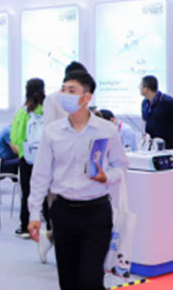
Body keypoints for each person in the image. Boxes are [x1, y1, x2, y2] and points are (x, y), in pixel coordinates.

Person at [27, 71, 129, 290]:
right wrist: (34, 213)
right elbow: (40, 175)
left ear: (87, 97)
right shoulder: (52, 132)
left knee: (90, 281)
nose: (64, 94)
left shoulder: (107, 130)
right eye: (63, 89)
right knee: (68, 280)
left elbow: (121, 166)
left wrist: (107, 177)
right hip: (63, 212)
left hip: (96, 212)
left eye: (71, 90)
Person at [10, 78, 47, 239]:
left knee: (27, 192)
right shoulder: (48, 110)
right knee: (46, 192)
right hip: (45, 157)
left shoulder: (22, 112)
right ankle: (50, 227)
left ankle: (25, 226)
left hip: (27, 157)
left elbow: (15, 138)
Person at [140, 75, 173, 149]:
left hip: (168, 146)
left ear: (146, 89)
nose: (139, 88)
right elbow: (145, 121)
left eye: (140, 86)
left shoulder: (167, 102)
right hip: (151, 146)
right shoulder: (144, 103)